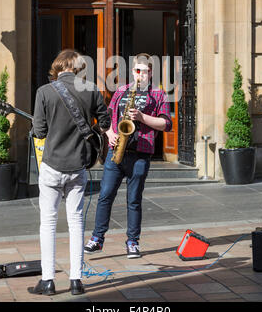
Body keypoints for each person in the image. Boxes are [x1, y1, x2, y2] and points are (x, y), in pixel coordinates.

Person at [28, 49, 111, 296]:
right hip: (78, 166)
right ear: (78, 68)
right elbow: (105, 123)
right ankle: (76, 280)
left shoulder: (44, 91)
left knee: (48, 223)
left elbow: (40, 132)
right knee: (75, 222)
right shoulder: (91, 90)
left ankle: (48, 281)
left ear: (59, 66)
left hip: (52, 166)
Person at [84, 53, 172, 259]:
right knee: (105, 196)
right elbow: (106, 118)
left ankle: (133, 242)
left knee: (134, 200)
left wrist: (142, 117)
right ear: (133, 71)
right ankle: (97, 238)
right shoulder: (122, 91)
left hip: (141, 153)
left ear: (151, 73)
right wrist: (111, 133)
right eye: (138, 71)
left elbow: (166, 124)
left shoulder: (158, 94)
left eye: (146, 71)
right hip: (116, 152)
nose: (141, 75)